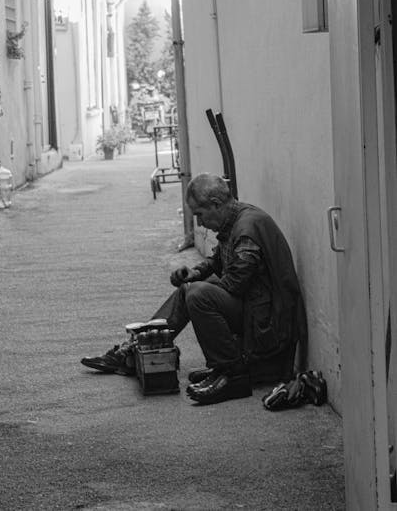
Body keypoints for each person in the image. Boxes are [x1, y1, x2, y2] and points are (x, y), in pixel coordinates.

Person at [81, 173, 307, 405]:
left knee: (199, 295)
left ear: (216, 204)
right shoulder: (236, 221)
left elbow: (236, 284)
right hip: (255, 312)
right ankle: (139, 346)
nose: (199, 223)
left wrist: (198, 287)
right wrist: (194, 274)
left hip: (269, 325)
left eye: (200, 214)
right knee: (191, 289)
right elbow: (219, 261)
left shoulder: (246, 228)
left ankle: (231, 372)